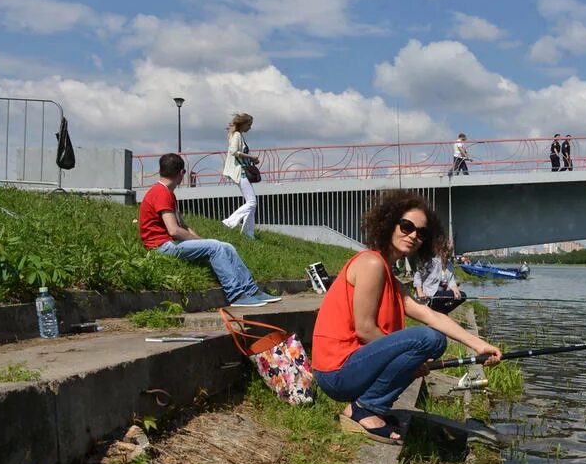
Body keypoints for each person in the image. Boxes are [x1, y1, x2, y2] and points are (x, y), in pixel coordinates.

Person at [312, 191, 501, 443]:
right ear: (388, 223)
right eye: (407, 226)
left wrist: (480, 346)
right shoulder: (371, 264)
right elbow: (365, 330)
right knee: (431, 339)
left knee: (430, 336)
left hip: (348, 370)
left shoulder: (388, 274)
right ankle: (362, 411)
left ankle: (368, 408)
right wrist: (405, 360)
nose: (413, 235)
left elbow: (430, 315)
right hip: (337, 372)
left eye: (421, 232)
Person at [139, 153, 279, 307]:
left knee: (226, 246)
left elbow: (183, 226)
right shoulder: (161, 193)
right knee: (215, 247)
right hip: (160, 247)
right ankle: (236, 295)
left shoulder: (167, 193)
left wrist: (202, 241)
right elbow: (174, 230)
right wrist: (205, 243)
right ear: (181, 173)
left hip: (169, 243)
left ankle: (252, 291)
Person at [221, 112, 260, 238]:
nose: (250, 127)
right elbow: (233, 151)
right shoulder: (237, 135)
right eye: (249, 124)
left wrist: (252, 160)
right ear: (243, 124)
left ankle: (248, 233)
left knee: (251, 203)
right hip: (240, 172)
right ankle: (229, 222)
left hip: (242, 171)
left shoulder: (239, 135)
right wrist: (251, 157)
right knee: (252, 202)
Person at [412, 233, 464, 314]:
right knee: (441, 297)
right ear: (440, 251)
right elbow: (418, 276)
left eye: (449, 253)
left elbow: (451, 281)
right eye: (445, 252)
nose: (447, 255)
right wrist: (420, 292)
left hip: (441, 295)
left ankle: (441, 312)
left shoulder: (450, 265)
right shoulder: (431, 263)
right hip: (430, 294)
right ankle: (439, 313)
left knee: (463, 295)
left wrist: (455, 289)